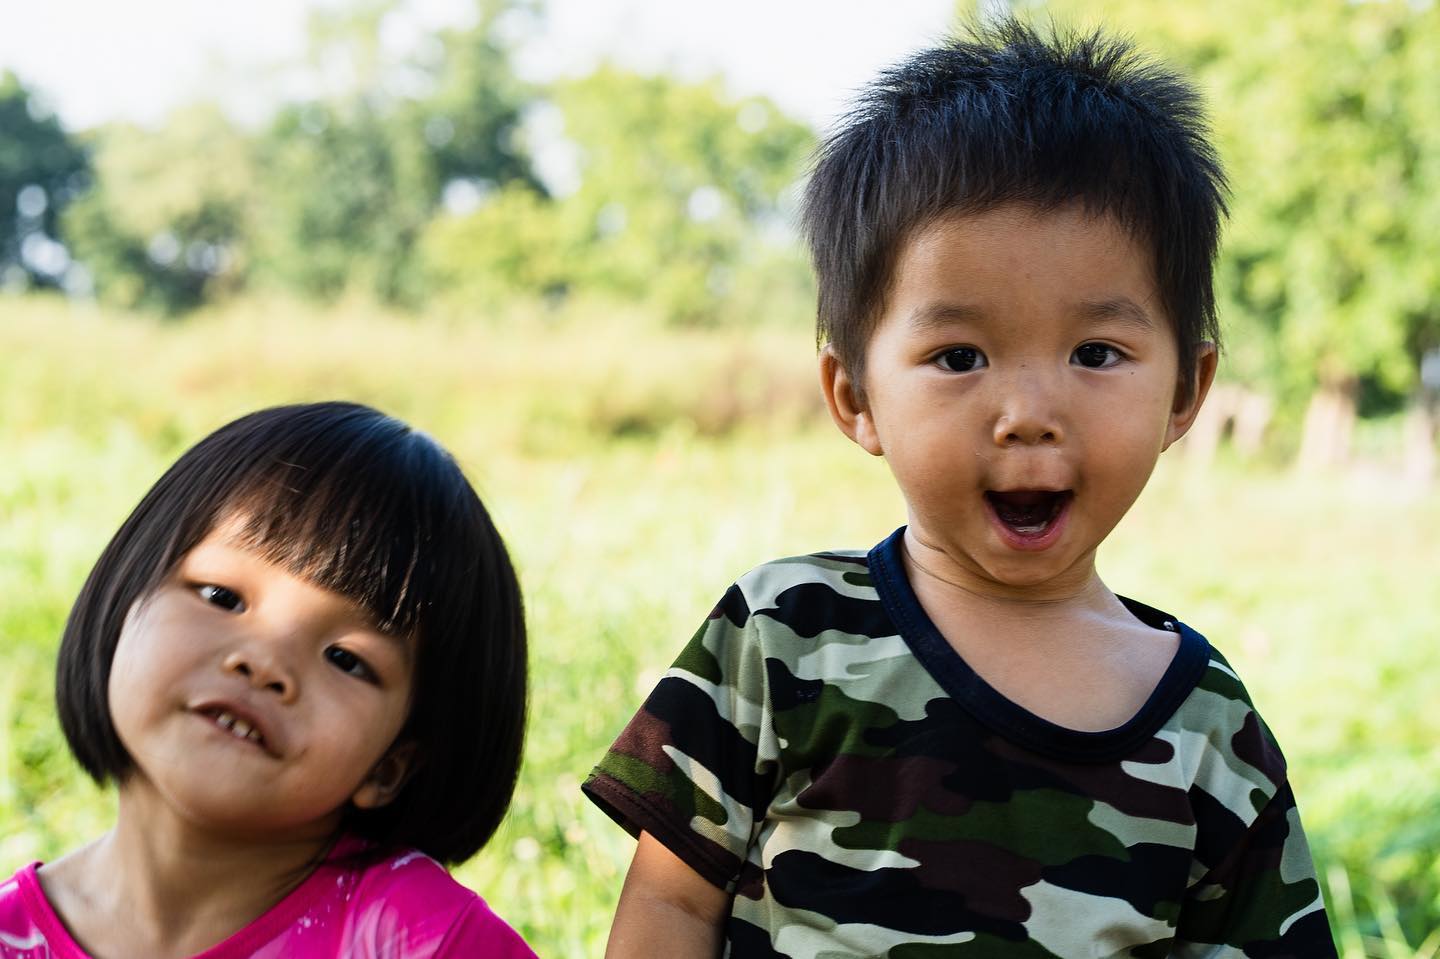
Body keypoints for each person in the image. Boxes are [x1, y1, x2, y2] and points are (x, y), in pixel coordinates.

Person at [584, 19, 1337, 957]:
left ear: (1186, 389)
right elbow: (670, 907)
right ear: (856, 395)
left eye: (1095, 352)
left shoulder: (1211, 734)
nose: (1027, 411)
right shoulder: (784, 637)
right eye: (959, 355)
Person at [0, 402, 536, 958]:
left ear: (390, 766)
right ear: (123, 603)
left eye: (346, 659)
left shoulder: (422, 941)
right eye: (221, 596)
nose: (265, 663)